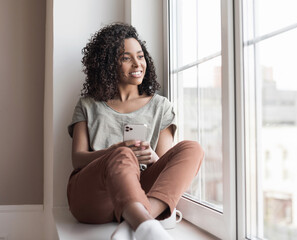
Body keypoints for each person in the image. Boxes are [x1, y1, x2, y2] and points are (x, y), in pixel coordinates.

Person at [66, 23, 204, 240]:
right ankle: (145, 224)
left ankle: (137, 222)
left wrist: (152, 157)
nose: (137, 63)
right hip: (93, 195)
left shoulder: (161, 106)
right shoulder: (88, 105)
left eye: (140, 56)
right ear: (108, 64)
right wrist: (115, 150)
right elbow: (77, 159)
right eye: (126, 58)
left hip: (139, 192)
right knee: (123, 154)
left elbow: (163, 163)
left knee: (192, 148)